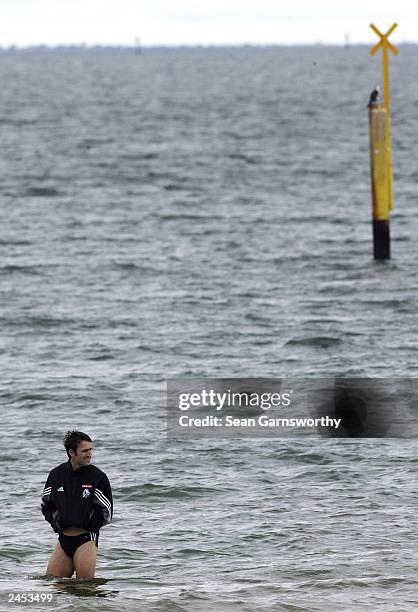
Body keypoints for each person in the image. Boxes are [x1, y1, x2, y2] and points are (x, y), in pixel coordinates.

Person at [41, 431, 113, 578]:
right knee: (52, 584)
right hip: (63, 539)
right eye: (85, 450)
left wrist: (88, 524)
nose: (89, 454)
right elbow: (46, 504)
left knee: (85, 589)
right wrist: (57, 523)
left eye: (90, 450)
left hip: (86, 540)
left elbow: (107, 511)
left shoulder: (98, 477)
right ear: (71, 452)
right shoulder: (56, 474)